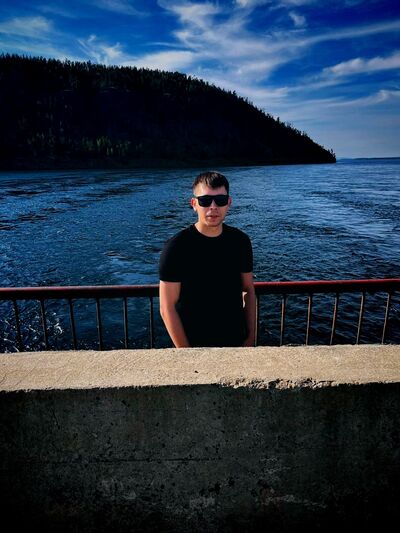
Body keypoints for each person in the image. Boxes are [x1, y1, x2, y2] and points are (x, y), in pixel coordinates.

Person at [159, 171, 256, 348]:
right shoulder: (176, 247)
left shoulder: (240, 241)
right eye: (205, 201)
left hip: (235, 343)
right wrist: (187, 353)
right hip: (194, 344)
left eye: (220, 200)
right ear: (194, 204)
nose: (213, 206)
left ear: (229, 203)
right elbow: (167, 308)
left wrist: (250, 337)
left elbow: (248, 290)